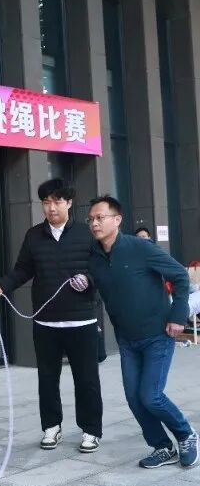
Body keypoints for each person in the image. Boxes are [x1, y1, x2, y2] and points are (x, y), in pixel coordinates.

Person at [0, 178, 103, 453]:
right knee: (47, 379)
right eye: (46, 202)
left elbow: (101, 270)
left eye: (57, 201)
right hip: (46, 321)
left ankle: (91, 430)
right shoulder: (34, 235)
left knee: (87, 379)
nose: (51, 208)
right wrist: (2, 285)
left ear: (69, 203)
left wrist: (88, 280)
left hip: (82, 320)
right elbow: (22, 270)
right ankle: (51, 427)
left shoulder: (86, 234)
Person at [87, 195, 198, 469]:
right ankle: (162, 446)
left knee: (151, 396)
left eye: (100, 217)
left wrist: (177, 316)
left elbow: (180, 275)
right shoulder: (94, 257)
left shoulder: (140, 247)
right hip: (127, 339)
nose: (94, 223)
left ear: (117, 220)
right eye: (91, 219)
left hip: (158, 334)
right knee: (135, 399)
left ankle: (186, 434)